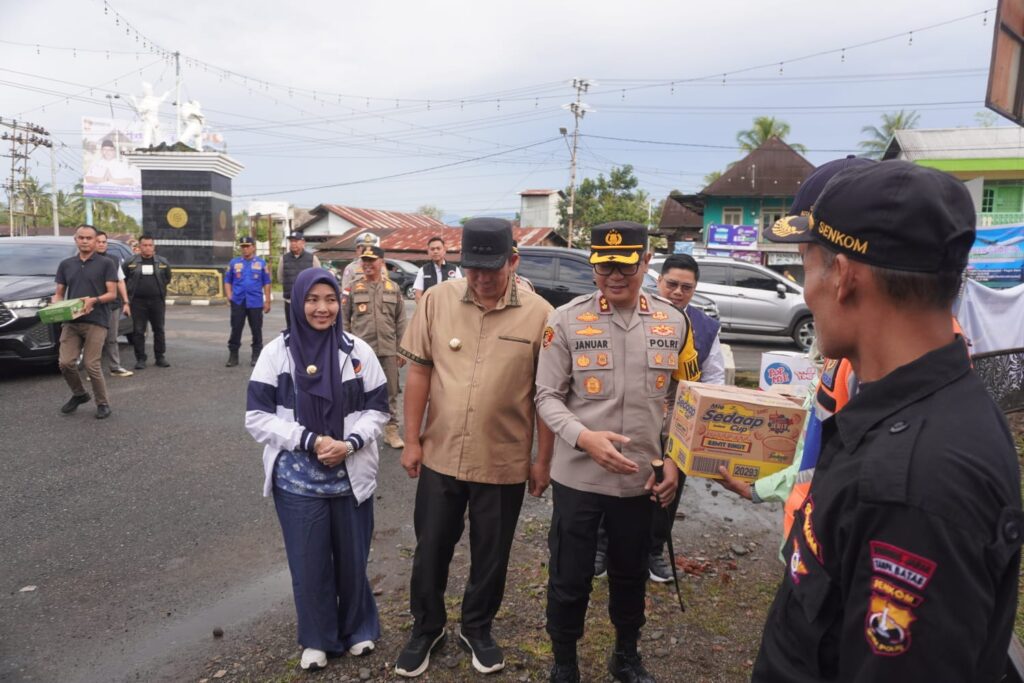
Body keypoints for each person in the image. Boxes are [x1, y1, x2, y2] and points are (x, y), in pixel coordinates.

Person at [752, 160, 1022, 681]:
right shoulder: (929, 407)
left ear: (844, 277)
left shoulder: (908, 485)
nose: (805, 291)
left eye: (806, 267)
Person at [535, 221, 700, 683]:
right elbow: (546, 395)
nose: (613, 276)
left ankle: (626, 654)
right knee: (569, 577)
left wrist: (675, 460)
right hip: (579, 478)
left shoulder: (674, 321)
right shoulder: (565, 319)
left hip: (640, 480)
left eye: (625, 266)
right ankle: (564, 660)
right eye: (604, 266)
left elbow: (686, 399)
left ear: (646, 262)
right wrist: (583, 437)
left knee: (630, 574)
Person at [395, 217, 554, 678]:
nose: (481, 278)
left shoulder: (541, 314)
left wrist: (543, 460)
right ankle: (427, 627)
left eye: (492, 268)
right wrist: (411, 440)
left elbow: (545, 395)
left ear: (513, 261)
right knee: (431, 548)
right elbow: (420, 372)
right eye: (472, 269)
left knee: (491, 554)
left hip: (503, 460)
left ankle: (477, 627)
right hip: (441, 454)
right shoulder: (436, 301)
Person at [245, 268, 389, 672]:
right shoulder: (276, 353)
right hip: (297, 482)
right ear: (298, 303)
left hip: (349, 477)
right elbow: (257, 417)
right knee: (309, 564)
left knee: (353, 559)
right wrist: (310, 440)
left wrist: (350, 443)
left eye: (329, 299)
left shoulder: (358, 352)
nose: (322, 308)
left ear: (340, 303)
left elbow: (378, 409)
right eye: (312, 300)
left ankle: (358, 629)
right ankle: (317, 638)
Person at [342, 245, 407, 450]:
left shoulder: (393, 288)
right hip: (361, 351)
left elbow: (401, 321)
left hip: (388, 348)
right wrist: (346, 348)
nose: (367, 264)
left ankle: (391, 430)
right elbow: (344, 320)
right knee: (358, 390)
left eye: (372, 260)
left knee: (390, 391)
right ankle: (357, 431)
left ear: (381, 262)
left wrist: (401, 348)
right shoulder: (352, 288)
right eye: (365, 260)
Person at [54, 224, 118, 420]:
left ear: (95, 241)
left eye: (88, 238)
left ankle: (103, 403)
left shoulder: (106, 263)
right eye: (81, 237)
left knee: (91, 364)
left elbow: (112, 294)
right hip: (71, 321)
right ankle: (80, 394)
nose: (84, 241)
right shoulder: (66, 264)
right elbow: (59, 293)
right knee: (65, 363)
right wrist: (55, 304)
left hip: (96, 320)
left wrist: (93, 300)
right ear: (75, 240)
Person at [124, 233, 173, 369]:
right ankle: (140, 358)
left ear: (154, 246)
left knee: (159, 329)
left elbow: (167, 278)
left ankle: (160, 357)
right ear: (139, 246)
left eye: (150, 245)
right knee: (138, 331)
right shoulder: (130, 262)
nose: (147, 248)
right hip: (137, 302)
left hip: (157, 301)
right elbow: (124, 280)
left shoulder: (162, 262)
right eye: (144, 245)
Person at [224, 236, 272, 367]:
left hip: (255, 302)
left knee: (256, 329)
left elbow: (267, 283)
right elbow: (227, 280)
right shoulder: (234, 263)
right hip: (238, 301)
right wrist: (229, 295)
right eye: (243, 247)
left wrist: (267, 301)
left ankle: (256, 355)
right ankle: (233, 355)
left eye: (247, 246)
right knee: (236, 328)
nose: (245, 249)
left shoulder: (261, 263)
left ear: (253, 247)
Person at [94, 230, 134, 377]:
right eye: (98, 242)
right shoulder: (86, 260)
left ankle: (115, 367)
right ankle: (93, 371)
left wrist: (126, 302)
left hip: (112, 305)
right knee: (94, 340)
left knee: (112, 338)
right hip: (93, 306)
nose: (101, 244)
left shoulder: (114, 260)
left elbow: (120, 281)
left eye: (104, 242)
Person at [277, 230, 321, 327]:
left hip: (308, 302)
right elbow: (280, 278)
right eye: (291, 241)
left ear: (303, 242)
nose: (293, 244)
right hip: (290, 301)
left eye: (296, 241)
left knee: (308, 328)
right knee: (291, 328)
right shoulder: (283, 259)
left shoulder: (312, 259)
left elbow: (319, 279)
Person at [412, 234, 462, 301]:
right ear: (428, 252)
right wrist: (425, 307)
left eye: (438, 248)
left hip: (449, 307)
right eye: (432, 249)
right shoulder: (423, 270)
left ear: (444, 250)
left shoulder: (455, 270)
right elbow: (418, 296)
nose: (435, 251)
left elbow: (460, 292)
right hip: (429, 307)